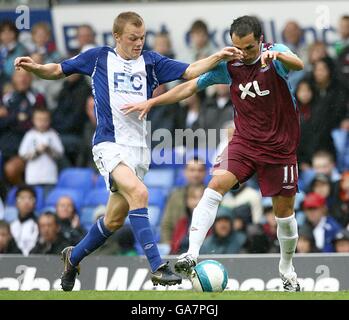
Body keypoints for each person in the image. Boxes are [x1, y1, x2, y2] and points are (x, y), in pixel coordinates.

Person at [15, 11, 241, 290]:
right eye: (133, 38)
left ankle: (73, 257)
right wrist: (33, 67)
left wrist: (218, 56)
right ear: (117, 36)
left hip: (139, 151)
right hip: (109, 145)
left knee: (113, 220)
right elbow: (57, 70)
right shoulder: (98, 57)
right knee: (140, 193)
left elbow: (191, 71)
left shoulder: (151, 61)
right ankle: (158, 267)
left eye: (142, 37)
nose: (138, 43)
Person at [123, 15, 305, 291]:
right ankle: (191, 253)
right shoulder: (230, 65)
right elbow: (191, 86)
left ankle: (287, 269)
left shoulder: (275, 53)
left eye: (249, 48)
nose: (243, 54)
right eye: (238, 47)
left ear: (260, 40)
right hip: (244, 142)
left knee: (284, 215)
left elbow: (298, 63)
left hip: (280, 147)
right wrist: (153, 101)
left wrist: (274, 57)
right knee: (215, 186)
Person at [18, 107, 64, 190]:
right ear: (33, 120)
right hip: (33, 177)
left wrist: (48, 149)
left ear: (49, 120)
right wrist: (37, 152)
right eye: (39, 120)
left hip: (50, 177)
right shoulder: (29, 135)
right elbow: (22, 154)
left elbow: (60, 153)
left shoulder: (53, 134)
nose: (42, 123)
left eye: (45, 120)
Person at [10, 185, 39, 256]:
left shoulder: (39, 225)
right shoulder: (11, 225)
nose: (26, 202)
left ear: (35, 203)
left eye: (30, 198)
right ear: (16, 203)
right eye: (22, 198)